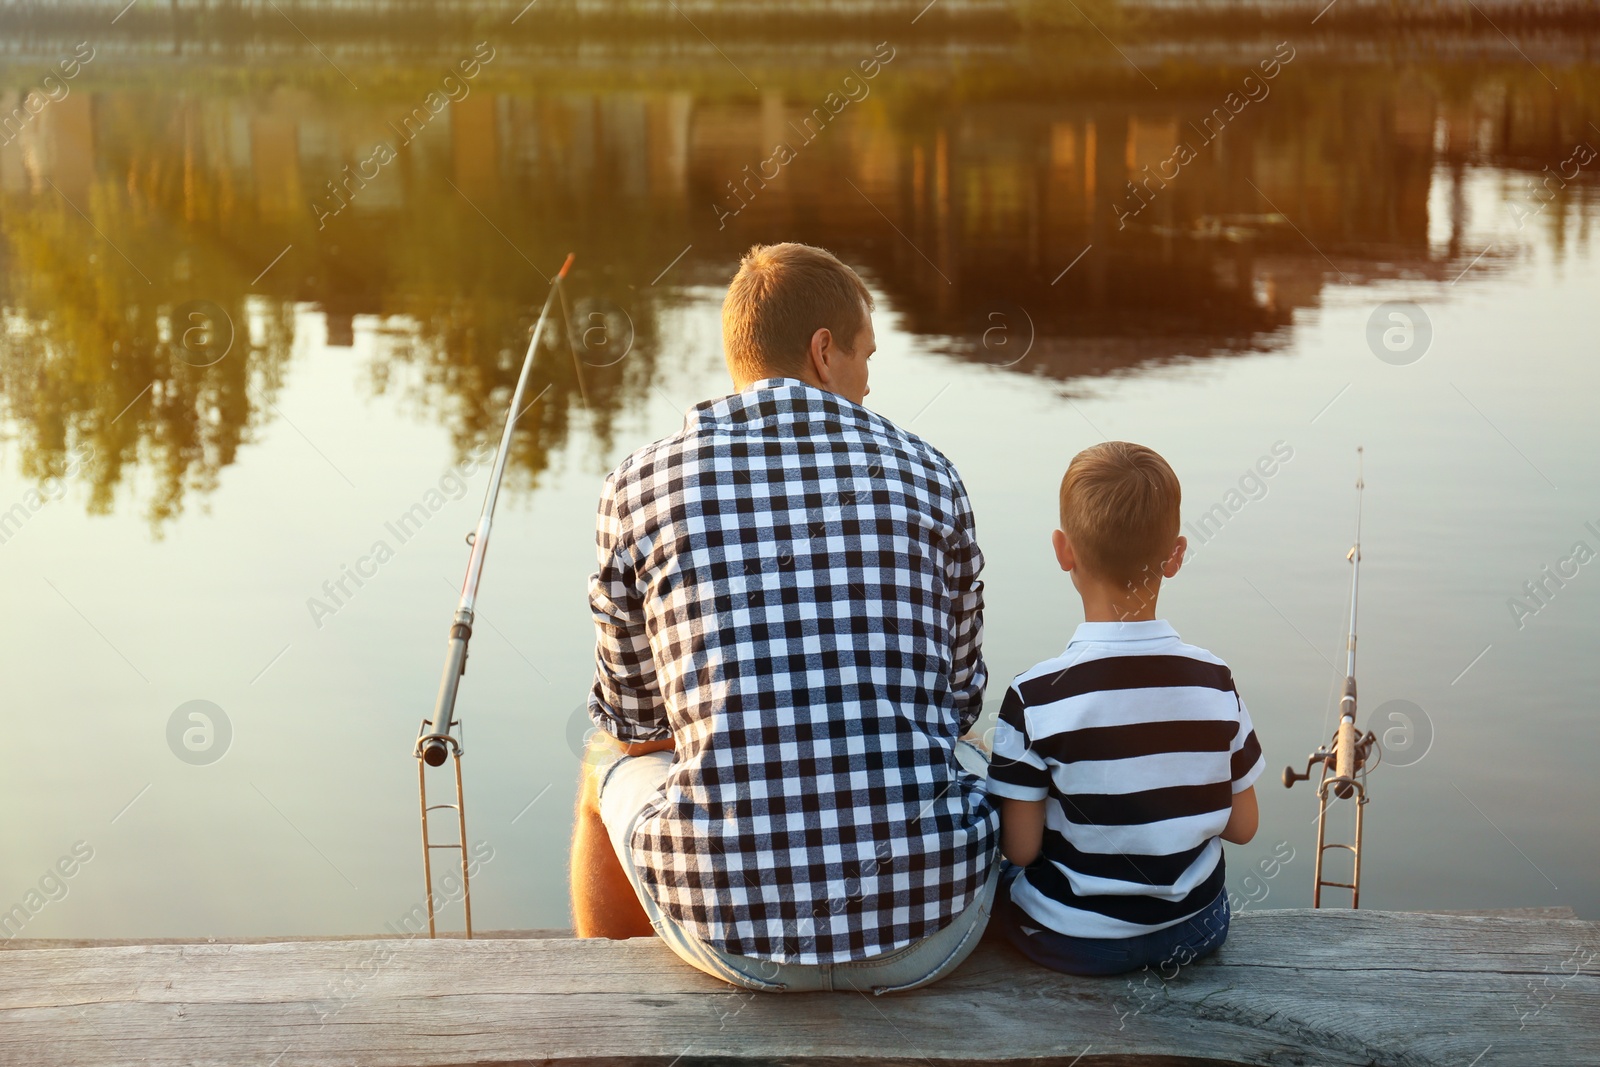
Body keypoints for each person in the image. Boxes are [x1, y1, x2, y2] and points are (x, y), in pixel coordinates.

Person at [570, 242, 1000, 993]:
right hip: (930, 929)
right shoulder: (930, 474)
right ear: (824, 352)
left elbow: (638, 725)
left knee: (604, 754)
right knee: (990, 739)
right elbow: (960, 704)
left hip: (730, 939)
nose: (870, 380)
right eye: (867, 354)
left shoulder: (635, 486)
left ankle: (613, 995)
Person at [985, 441, 1264, 977]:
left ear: (1063, 550)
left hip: (1077, 941)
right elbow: (1244, 825)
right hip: (1198, 927)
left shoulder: (1035, 695)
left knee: (996, 884)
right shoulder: (1214, 680)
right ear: (1177, 556)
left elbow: (1020, 850)